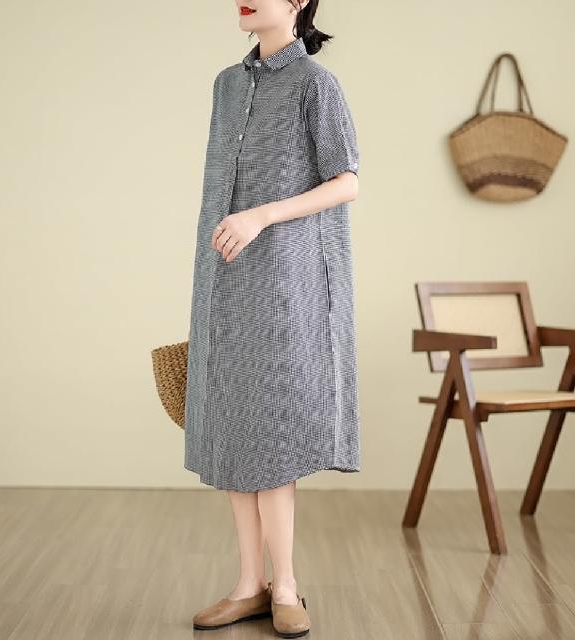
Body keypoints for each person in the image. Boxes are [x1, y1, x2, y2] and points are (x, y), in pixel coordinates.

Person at [185, 0, 361, 636]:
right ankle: (248, 586)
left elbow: (346, 181)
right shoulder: (226, 85)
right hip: (225, 277)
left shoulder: (316, 83)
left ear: (298, 1)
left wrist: (262, 215)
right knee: (233, 428)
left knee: (272, 431)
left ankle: (285, 585)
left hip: (286, 282)